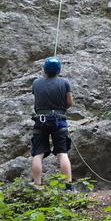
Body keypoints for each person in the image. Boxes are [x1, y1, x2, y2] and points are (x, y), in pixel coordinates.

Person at [31, 57, 73, 186]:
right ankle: (67, 186)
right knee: (62, 153)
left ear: (44, 69)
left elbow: (37, 99)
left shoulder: (36, 83)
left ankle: (37, 184)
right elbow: (69, 103)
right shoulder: (65, 83)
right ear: (59, 70)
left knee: (38, 154)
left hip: (41, 121)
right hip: (58, 121)